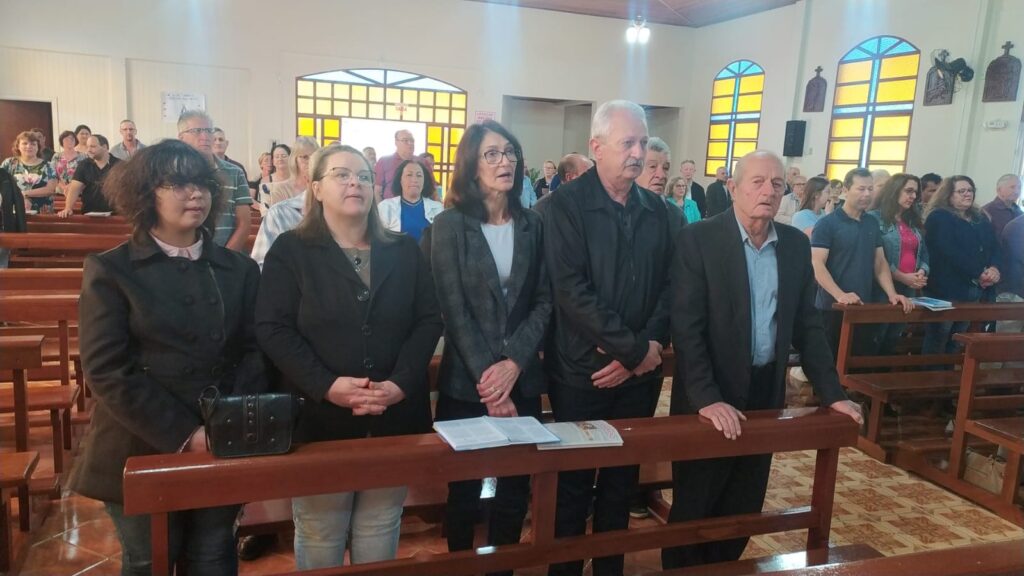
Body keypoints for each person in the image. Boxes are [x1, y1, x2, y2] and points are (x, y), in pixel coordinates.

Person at [69, 139, 264, 576]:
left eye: (202, 184)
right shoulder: (112, 269)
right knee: (150, 557)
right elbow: (107, 369)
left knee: (214, 553)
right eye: (177, 184)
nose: (195, 194)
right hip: (139, 439)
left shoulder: (238, 269)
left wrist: (229, 423)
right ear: (145, 194)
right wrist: (186, 434)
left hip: (221, 439)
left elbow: (255, 351)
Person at [662, 150, 862, 569]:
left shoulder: (793, 245)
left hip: (764, 393)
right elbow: (687, 329)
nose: (767, 191)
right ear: (733, 187)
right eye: (757, 181)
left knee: (743, 507)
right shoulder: (699, 239)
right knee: (695, 507)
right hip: (708, 394)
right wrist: (706, 398)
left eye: (776, 183)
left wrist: (833, 394)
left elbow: (808, 327)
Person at [255, 144, 442, 570]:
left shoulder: (402, 249)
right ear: (316, 188)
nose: (354, 183)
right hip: (319, 416)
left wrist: (400, 384)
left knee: (380, 522)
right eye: (341, 174)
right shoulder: (291, 250)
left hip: (393, 414)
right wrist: (326, 385)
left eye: (363, 176)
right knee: (321, 527)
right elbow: (273, 328)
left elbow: (428, 320)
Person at [543, 100, 671, 576]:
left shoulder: (659, 211)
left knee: (621, 483)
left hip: (639, 378)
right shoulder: (565, 206)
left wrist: (645, 349)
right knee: (573, 486)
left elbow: (670, 288)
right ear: (596, 147)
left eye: (643, 142)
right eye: (628, 143)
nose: (638, 153)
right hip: (582, 372)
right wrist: (635, 350)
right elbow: (570, 291)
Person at [430, 121, 551, 572]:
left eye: (510, 152)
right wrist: (491, 382)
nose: (505, 162)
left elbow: (544, 300)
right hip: (467, 383)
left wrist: (514, 362)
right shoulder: (449, 226)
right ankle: (462, 565)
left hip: (521, 378)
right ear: (472, 165)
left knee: (515, 488)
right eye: (493, 154)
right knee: (463, 488)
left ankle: (503, 567)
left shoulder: (532, 224)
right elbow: (453, 310)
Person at [811, 167, 913, 358]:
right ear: (845, 190)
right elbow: (816, 264)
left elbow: (880, 262)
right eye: (861, 189)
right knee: (829, 363)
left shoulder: (871, 222)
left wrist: (892, 294)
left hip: (863, 305)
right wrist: (840, 295)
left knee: (858, 362)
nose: (867, 194)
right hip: (832, 307)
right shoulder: (828, 223)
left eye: (870, 189)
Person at [922, 176, 1001, 354]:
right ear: (949, 194)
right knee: (939, 335)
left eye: (970, 190)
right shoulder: (939, 217)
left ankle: (949, 371)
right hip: (945, 288)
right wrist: (979, 273)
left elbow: (994, 245)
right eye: (961, 191)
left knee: (958, 337)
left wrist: (994, 268)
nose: (967, 194)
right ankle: (932, 370)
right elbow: (949, 251)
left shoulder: (979, 217)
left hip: (973, 288)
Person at [867, 174, 929, 355]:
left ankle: (884, 371)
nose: (913, 196)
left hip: (908, 288)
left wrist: (922, 271)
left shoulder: (912, 220)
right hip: (882, 286)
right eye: (908, 191)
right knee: (876, 336)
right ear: (894, 191)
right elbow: (875, 256)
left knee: (893, 337)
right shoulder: (874, 218)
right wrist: (900, 276)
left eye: (915, 193)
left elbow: (923, 251)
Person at [177, 110, 252, 251]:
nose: (205, 136)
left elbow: (244, 224)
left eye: (208, 131)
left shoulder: (234, 172)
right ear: (181, 138)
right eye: (197, 131)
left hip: (226, 253)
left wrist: (224, 257)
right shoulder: (174, 173)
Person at [377, 159, 443, 241]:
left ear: (424, 181)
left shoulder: (437, 208)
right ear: (400, 180)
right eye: (409, 175)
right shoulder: (385, 207)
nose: (414, 180)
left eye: (419, 175)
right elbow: (380, 240)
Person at [58, 134, 118, 217]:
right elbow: (75, 188)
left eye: (93, 146)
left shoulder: (119, 165)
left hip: (115, 215)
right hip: (89, 214)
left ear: (104, 147)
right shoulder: (84, 165)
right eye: (88, 147)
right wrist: (68, 208)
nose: (88, 150)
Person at [636, 137, 687, 235]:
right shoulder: (621, 213)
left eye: (666, 168)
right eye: (652, 166)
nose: (661, 175)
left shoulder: (677, 217)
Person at [1, 131, 57, 213]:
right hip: (13, 210)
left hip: (42, 212)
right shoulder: (9, 163)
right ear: (18, 146)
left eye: (33, 144)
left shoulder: (48, 165)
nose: (29, 146)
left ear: (38, 147)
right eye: (25, 143)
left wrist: (24, 193)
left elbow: (50, 189)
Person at [267, 138, 318, 206]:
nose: (310, 161)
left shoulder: (321, 188)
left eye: (314, 157)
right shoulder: (280, 190)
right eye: (305, 157)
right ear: (295, 160)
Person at [374, 130, 418, 202]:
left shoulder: (422, 162)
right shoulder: (384, 161)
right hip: (391, 207)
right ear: (396, 142)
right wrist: (382, 208)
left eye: (412, 141)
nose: (410, 143)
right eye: (405, 140)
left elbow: (433, 192)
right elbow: (377, 191)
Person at [982, 173, 1022, 239]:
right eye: (1012, 187)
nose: (1016, 191)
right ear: (999, 190)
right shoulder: (986, 211)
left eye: (1019, 187)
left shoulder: (1019, 211)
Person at [51, 130, 85, 195]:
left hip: (78, 191)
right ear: (62, 142)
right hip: (60, 191)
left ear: (75, 141)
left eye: (72, 139)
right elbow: (52, 175)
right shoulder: (56, 156)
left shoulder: (83, 156)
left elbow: (85, 176)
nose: (69, 141)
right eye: (66, 139)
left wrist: (70, 186)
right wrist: (63, 187)